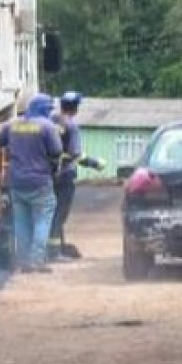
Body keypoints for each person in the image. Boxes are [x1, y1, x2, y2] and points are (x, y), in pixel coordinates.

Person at [0, 93, 65, 272]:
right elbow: (56, 151)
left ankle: (23, 262)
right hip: (40, 181)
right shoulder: (47, 126)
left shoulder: (11, 125)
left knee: (21, 222)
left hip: (16, 182)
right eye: (48, 109)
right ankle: (37, 261)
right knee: (42, 220)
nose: (50, 113)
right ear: (43, 109)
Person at [48, 90, 104, 259]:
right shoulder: (71, 126)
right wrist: (95, 163)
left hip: (49, 174)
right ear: (75, 108)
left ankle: (58, 246)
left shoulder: (51, 122)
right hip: (65, 175)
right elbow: (75, 154)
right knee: (60, 213)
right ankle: (54, 252)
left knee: (52, 212)